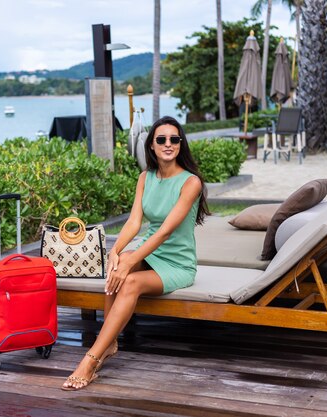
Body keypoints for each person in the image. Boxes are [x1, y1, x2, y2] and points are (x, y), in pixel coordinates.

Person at [62, 115, 210, 391]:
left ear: (181, 144)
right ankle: (110, 343)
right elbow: (134, 222)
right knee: (115, 267)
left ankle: (91, 359)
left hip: (176, 262)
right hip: (148, 250)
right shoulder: (146, 177)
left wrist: (132, 257)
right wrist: (116, 251)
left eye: (174, 139)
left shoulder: (191, 183)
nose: (168, 144)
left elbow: (165, 231)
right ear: (152, 146)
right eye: (161, 139)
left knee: (130, 280)